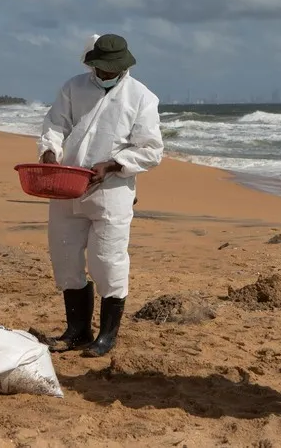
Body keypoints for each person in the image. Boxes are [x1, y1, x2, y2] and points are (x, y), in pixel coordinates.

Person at [38, 34, 164, 357]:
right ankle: (77, 330)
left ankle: (107, 335)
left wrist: (113, 165)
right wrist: (50, 151)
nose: (104, 74)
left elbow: (151, 150)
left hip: (112, 190)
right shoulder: (73, 88)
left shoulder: (141, 98)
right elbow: (54, 124)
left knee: (107, 261)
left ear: (123, 67)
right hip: (67, 185)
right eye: (99, 68)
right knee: (65, 258)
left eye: (110, 70)